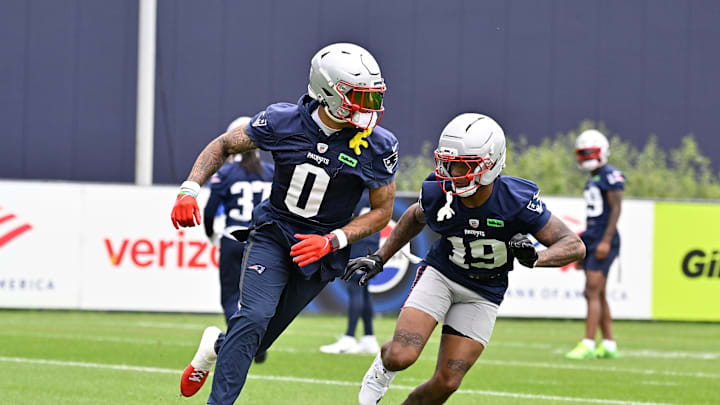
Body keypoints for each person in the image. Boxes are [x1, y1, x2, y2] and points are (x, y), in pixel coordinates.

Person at [170, 42, 398, 404]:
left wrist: (333, 240)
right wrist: (189, 189)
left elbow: (382, 211)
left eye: (373, 97)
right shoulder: (282, 121)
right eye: (359, 96)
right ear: (327, 92)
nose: (369, 107)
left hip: (321, 250)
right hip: (274, 235)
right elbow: (224, 145)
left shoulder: (378, 145)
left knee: (256, 340)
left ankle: (215, 346)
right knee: (253, 318)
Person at [344, 113, 585, 405]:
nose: (452, 173)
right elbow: (414, 216)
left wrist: (536, 257)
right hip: (441, 275)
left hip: (484, 292)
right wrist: (380, 257)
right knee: (400, 355)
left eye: (462, 166)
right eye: (448, 163)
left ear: (490, 164)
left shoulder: (515, 200)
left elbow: (573, 244)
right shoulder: (437, 191)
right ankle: (382, 371)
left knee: (447, 382)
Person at [203, 116, 273, 325]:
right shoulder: (271, 172)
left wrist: (211, 234)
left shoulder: (226, 173)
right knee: (259, 299)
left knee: (231, 297)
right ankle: (256, 341)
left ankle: (238, 339)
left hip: (233, 238)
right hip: (262, 241)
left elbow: (209, 212)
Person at [565, 129, 624, 360]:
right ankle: (608, 344)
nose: (587, 157)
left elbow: (616, 209)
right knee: (598, 293)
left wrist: (606, 241)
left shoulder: (610, 175)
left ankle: (588, 342)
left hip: (603, 237)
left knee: (591, 291)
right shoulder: (595, 178)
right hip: (592, 236)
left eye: (590, 152)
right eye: (583, 153)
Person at [320, 191, 380, 355]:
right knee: (363, 289)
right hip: (372, 243)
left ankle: (349, 337)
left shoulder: (358, 193)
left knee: (355, 287)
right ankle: (369, 337)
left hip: (359, 243)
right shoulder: (377, 191)